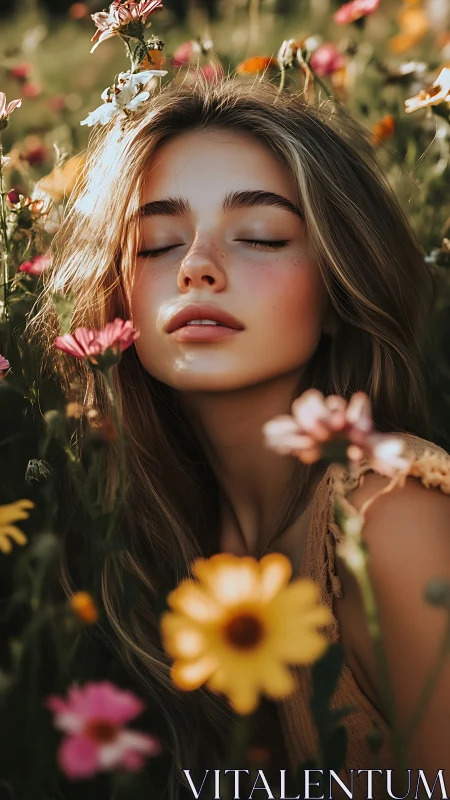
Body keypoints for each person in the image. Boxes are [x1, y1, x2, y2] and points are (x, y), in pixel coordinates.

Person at [31, 75, 450, 799]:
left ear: (339, 288)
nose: (195, 265)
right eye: (156, 244)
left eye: (260, 236)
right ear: (117, 292)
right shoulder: (147, 540)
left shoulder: (391, 517)